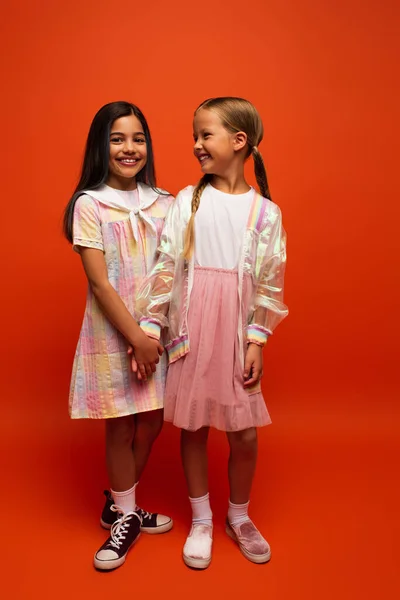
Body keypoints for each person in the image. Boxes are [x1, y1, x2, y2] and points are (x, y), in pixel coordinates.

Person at [136, 97, 288, 569]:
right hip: (193, 329)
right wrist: (150, 326)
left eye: (206, 135)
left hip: (236, 331)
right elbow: (165, 267)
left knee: (244, 434)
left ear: (239, 142)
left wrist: (257, 339)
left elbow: (269, 281)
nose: (196, 144)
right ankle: (201, 518)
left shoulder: (266, 213)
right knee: (195, 425)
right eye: (195, 135)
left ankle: (238, 517)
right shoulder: (187, 200)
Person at [64, 101, 173, 571]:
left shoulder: (165, 202)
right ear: (100, 146)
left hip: (157, 328)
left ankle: (118, 503)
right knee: (122, 421)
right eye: (117, 139)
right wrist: (135, 338)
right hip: (114, 332)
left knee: (153, 419)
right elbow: (100, 283)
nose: (129, 148)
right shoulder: (90, 204)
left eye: (137, 138)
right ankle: (126, 517)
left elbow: (172, 271)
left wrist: (152, 334)